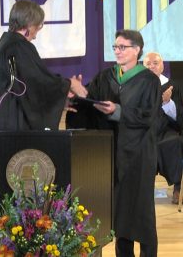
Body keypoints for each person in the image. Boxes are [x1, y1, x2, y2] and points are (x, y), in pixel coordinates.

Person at [67, 29, 160, 256]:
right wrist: (75, 99)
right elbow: (90, 104)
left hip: (138, 156)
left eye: (122, 47)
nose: (117, 51)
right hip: (113, 155)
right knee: (120, 216)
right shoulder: (106, 76)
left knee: (142, 215)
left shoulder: (149, 80)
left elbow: (149, 116)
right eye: (115, 47)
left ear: (137, 50)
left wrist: (118, 111)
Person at [0, 0, 87, 131]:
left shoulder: (6, 43)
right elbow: (38, 81)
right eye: (37, 28)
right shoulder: (19, 46)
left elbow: (25, 87)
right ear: (29, 25)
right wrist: (70, 84)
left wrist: (59, 98)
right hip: (6, 123)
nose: (35, 36)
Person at [143, 52, 183, 205]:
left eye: (155, 63)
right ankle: (142, 189)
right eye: (148, 63)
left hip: (167, 130)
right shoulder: (138, 85)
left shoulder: (171, 86)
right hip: (145, 131)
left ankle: (177, 187)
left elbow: (180, 118)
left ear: (162, 66)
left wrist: (167, 103)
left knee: (175, 142)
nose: (151, 66)